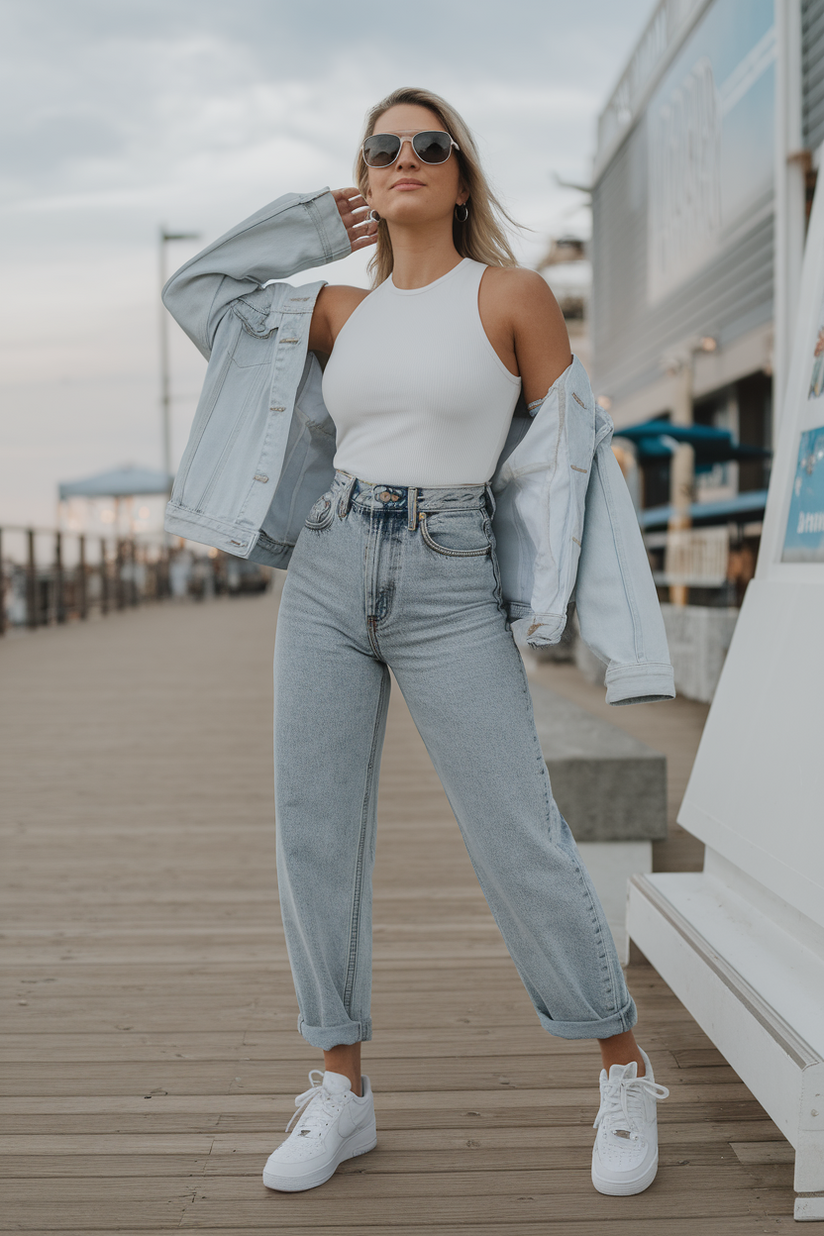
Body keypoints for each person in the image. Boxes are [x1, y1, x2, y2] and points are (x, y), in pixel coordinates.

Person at [161, 86, 673, 1201]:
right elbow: (194, 291)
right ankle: (340, 1089)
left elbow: (577, 471)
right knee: (316, 831)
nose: (403, 158)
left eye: (426, 144)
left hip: (449, 575)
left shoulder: (513, 297)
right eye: (382, 147)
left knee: (516, 829)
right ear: (365, 176)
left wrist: (610, 642)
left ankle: (621, 1066)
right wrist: (307, 226)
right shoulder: (336, 309)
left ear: (459, 174)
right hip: (333, 565)